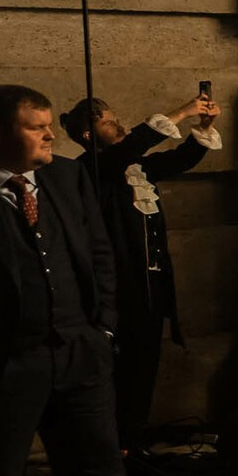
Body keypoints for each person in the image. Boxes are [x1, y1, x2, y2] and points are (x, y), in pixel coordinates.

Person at [0, 85, 184, 476]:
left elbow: (99, 252)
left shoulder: (66, 178)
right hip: (7, 364)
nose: (50, 135)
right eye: (36, 127)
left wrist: (101, 327)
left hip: (79, 352)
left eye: (50, 124)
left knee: (100, 475)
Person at [59, 89, 222, 450]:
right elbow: (128, 148)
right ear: (88, 135)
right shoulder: (92, 169)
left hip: (150, 285)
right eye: (109, 122)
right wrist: (181, 112)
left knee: (144, 364)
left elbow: (179, 161)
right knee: (118, 369)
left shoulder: (135, 167)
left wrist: (203, 125)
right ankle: (111, 443)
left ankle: (132, 440)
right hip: (118, 290)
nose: (118, 126)